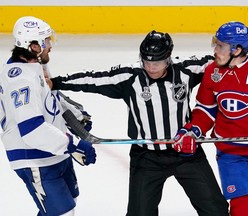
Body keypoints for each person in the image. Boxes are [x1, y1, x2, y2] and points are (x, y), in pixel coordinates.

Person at [48, 30, 229, 216]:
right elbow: (93, 78)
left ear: (168, 59)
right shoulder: (130, 76)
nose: (151, 67)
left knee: (217, 210)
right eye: (147, 62)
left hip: (187, 153)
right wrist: (56, 82)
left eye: (156, 63)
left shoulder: (186, 69)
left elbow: (223, 59)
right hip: (146, 158)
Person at [188, 21, 248, 215]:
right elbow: (205, 110)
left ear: (237, 50)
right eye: (215, 44)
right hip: (230, 150)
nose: (215, 50)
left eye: (221, 46)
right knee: (242, 208)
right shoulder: (212, 71)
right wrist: (195, 130)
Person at [0, 16, 96, 215]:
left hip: (54, 151)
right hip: (34, 158)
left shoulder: (34, 65)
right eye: (46, 41)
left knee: (69, 202)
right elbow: (31, 129)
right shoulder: (21, 80)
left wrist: (75, 115)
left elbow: (48, 96)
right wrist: (72, 146)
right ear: (34, 46)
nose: (50, 45)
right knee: (62, 213)